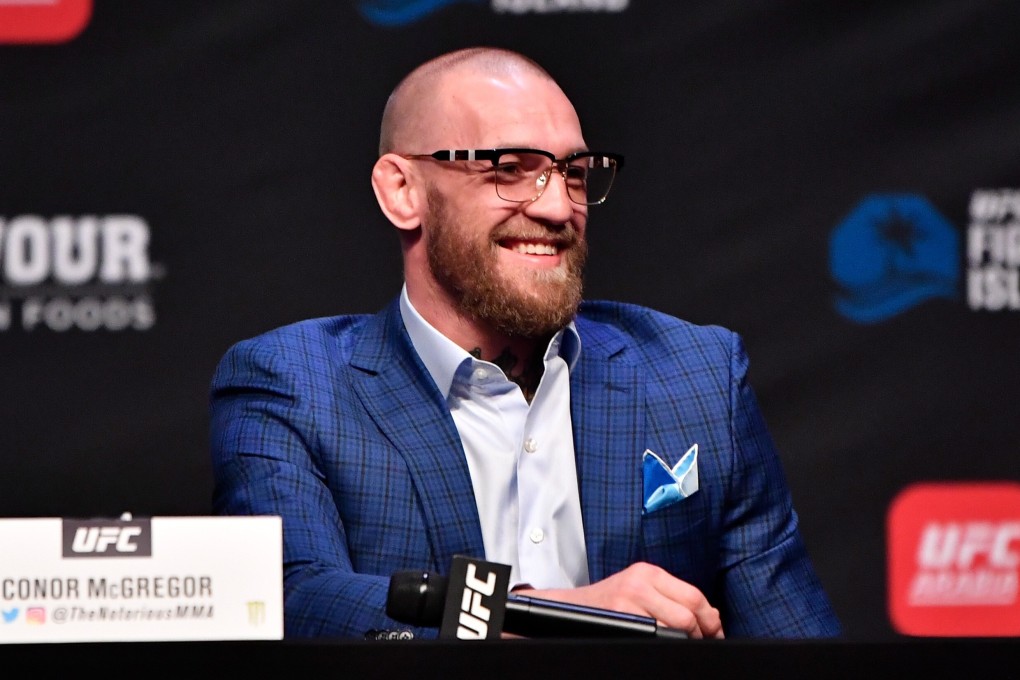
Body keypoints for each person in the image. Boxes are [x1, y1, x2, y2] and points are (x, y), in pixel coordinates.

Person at [209, 46, 841, 640]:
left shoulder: (696, 376)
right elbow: (291, 599)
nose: (559, 208)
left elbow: (795, 643)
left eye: (574, 174)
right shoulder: (295, 385)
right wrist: (558, 617)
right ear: (403, 191)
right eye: (511, 170)